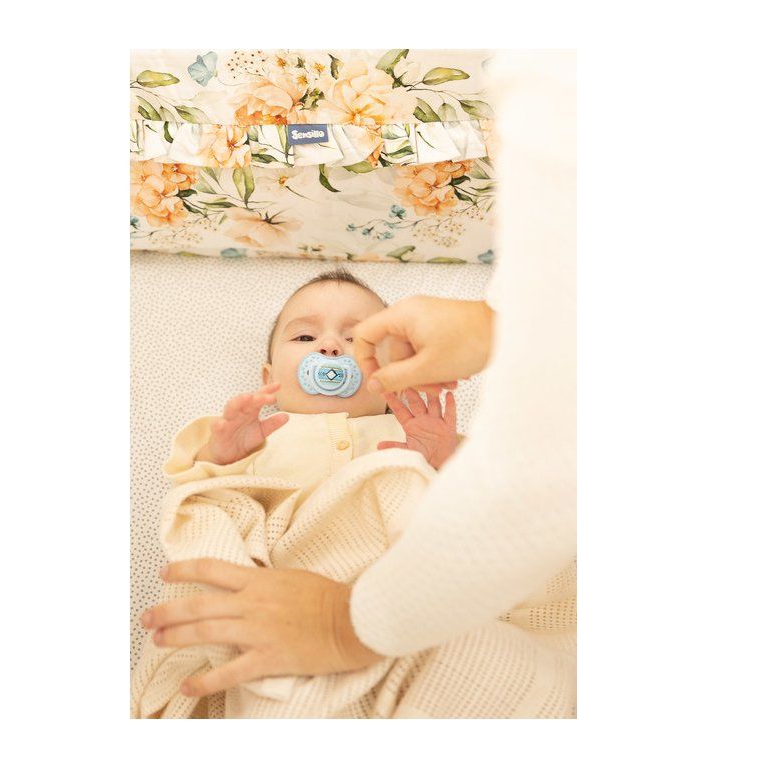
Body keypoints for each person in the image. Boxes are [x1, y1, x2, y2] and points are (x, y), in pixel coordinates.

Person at [143, 51, 577, 716]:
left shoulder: (407, 431)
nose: (330, 346)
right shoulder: (260, 435)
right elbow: (205, 504)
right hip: (293, 590)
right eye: (305, 337)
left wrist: (442, 453)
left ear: (399, 366)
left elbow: (494, 502)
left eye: (356, 335)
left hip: (409, 593)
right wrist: (225, 454)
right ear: (268, 377)